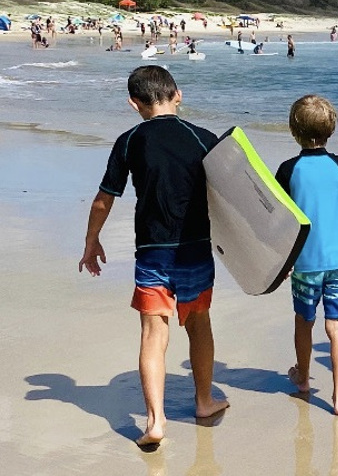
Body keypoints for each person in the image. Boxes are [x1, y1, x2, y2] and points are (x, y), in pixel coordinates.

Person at [78, 65, 229, 447]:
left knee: (152, 332)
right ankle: (204, 401)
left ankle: (155, 421)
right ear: (178, 94)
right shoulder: (204, 138)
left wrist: (91, 241)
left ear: (135, 104)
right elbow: (234, 198)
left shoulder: (129, 141)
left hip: (151, 252)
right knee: (198, 325)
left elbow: (103, 199)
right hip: (195, 249)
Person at [275, 95, 338, 415]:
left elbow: (278, 217)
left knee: (304, 321)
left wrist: (281, 258)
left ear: (294, 130)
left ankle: (303, 378)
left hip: (304, 262)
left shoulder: (289, 169)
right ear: (331, 130)